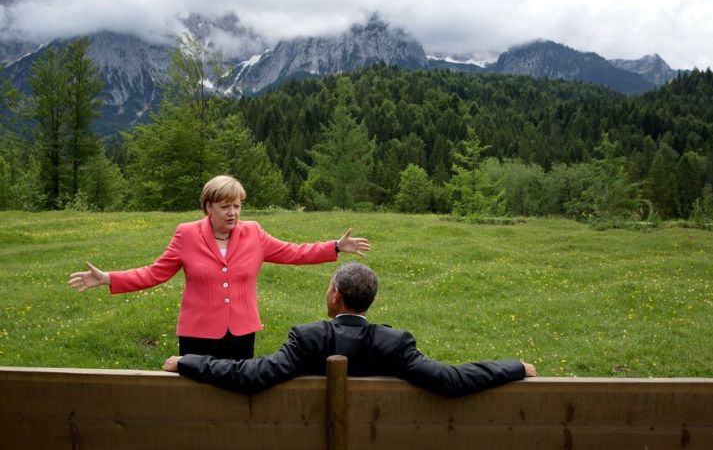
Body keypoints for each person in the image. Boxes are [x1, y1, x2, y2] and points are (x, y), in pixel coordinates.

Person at [68, 175, 370, 360]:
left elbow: (293, 252)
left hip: (241, 332)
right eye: (225, 206)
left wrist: (335, 246)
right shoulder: (186, 234)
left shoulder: (253, 233)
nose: (233, 212)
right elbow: (155, 272)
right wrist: (108, 278)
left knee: (236, 391)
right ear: (208, 207)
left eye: (237, 205)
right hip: (197, 332)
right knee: (196, 396)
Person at [163, 262, 536, 396]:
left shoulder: (307, 339)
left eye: (329, 287)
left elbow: (250, 375)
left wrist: (188, 361)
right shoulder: (394, 344)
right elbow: (452, 379)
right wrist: (516, 367)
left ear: (336, 296)